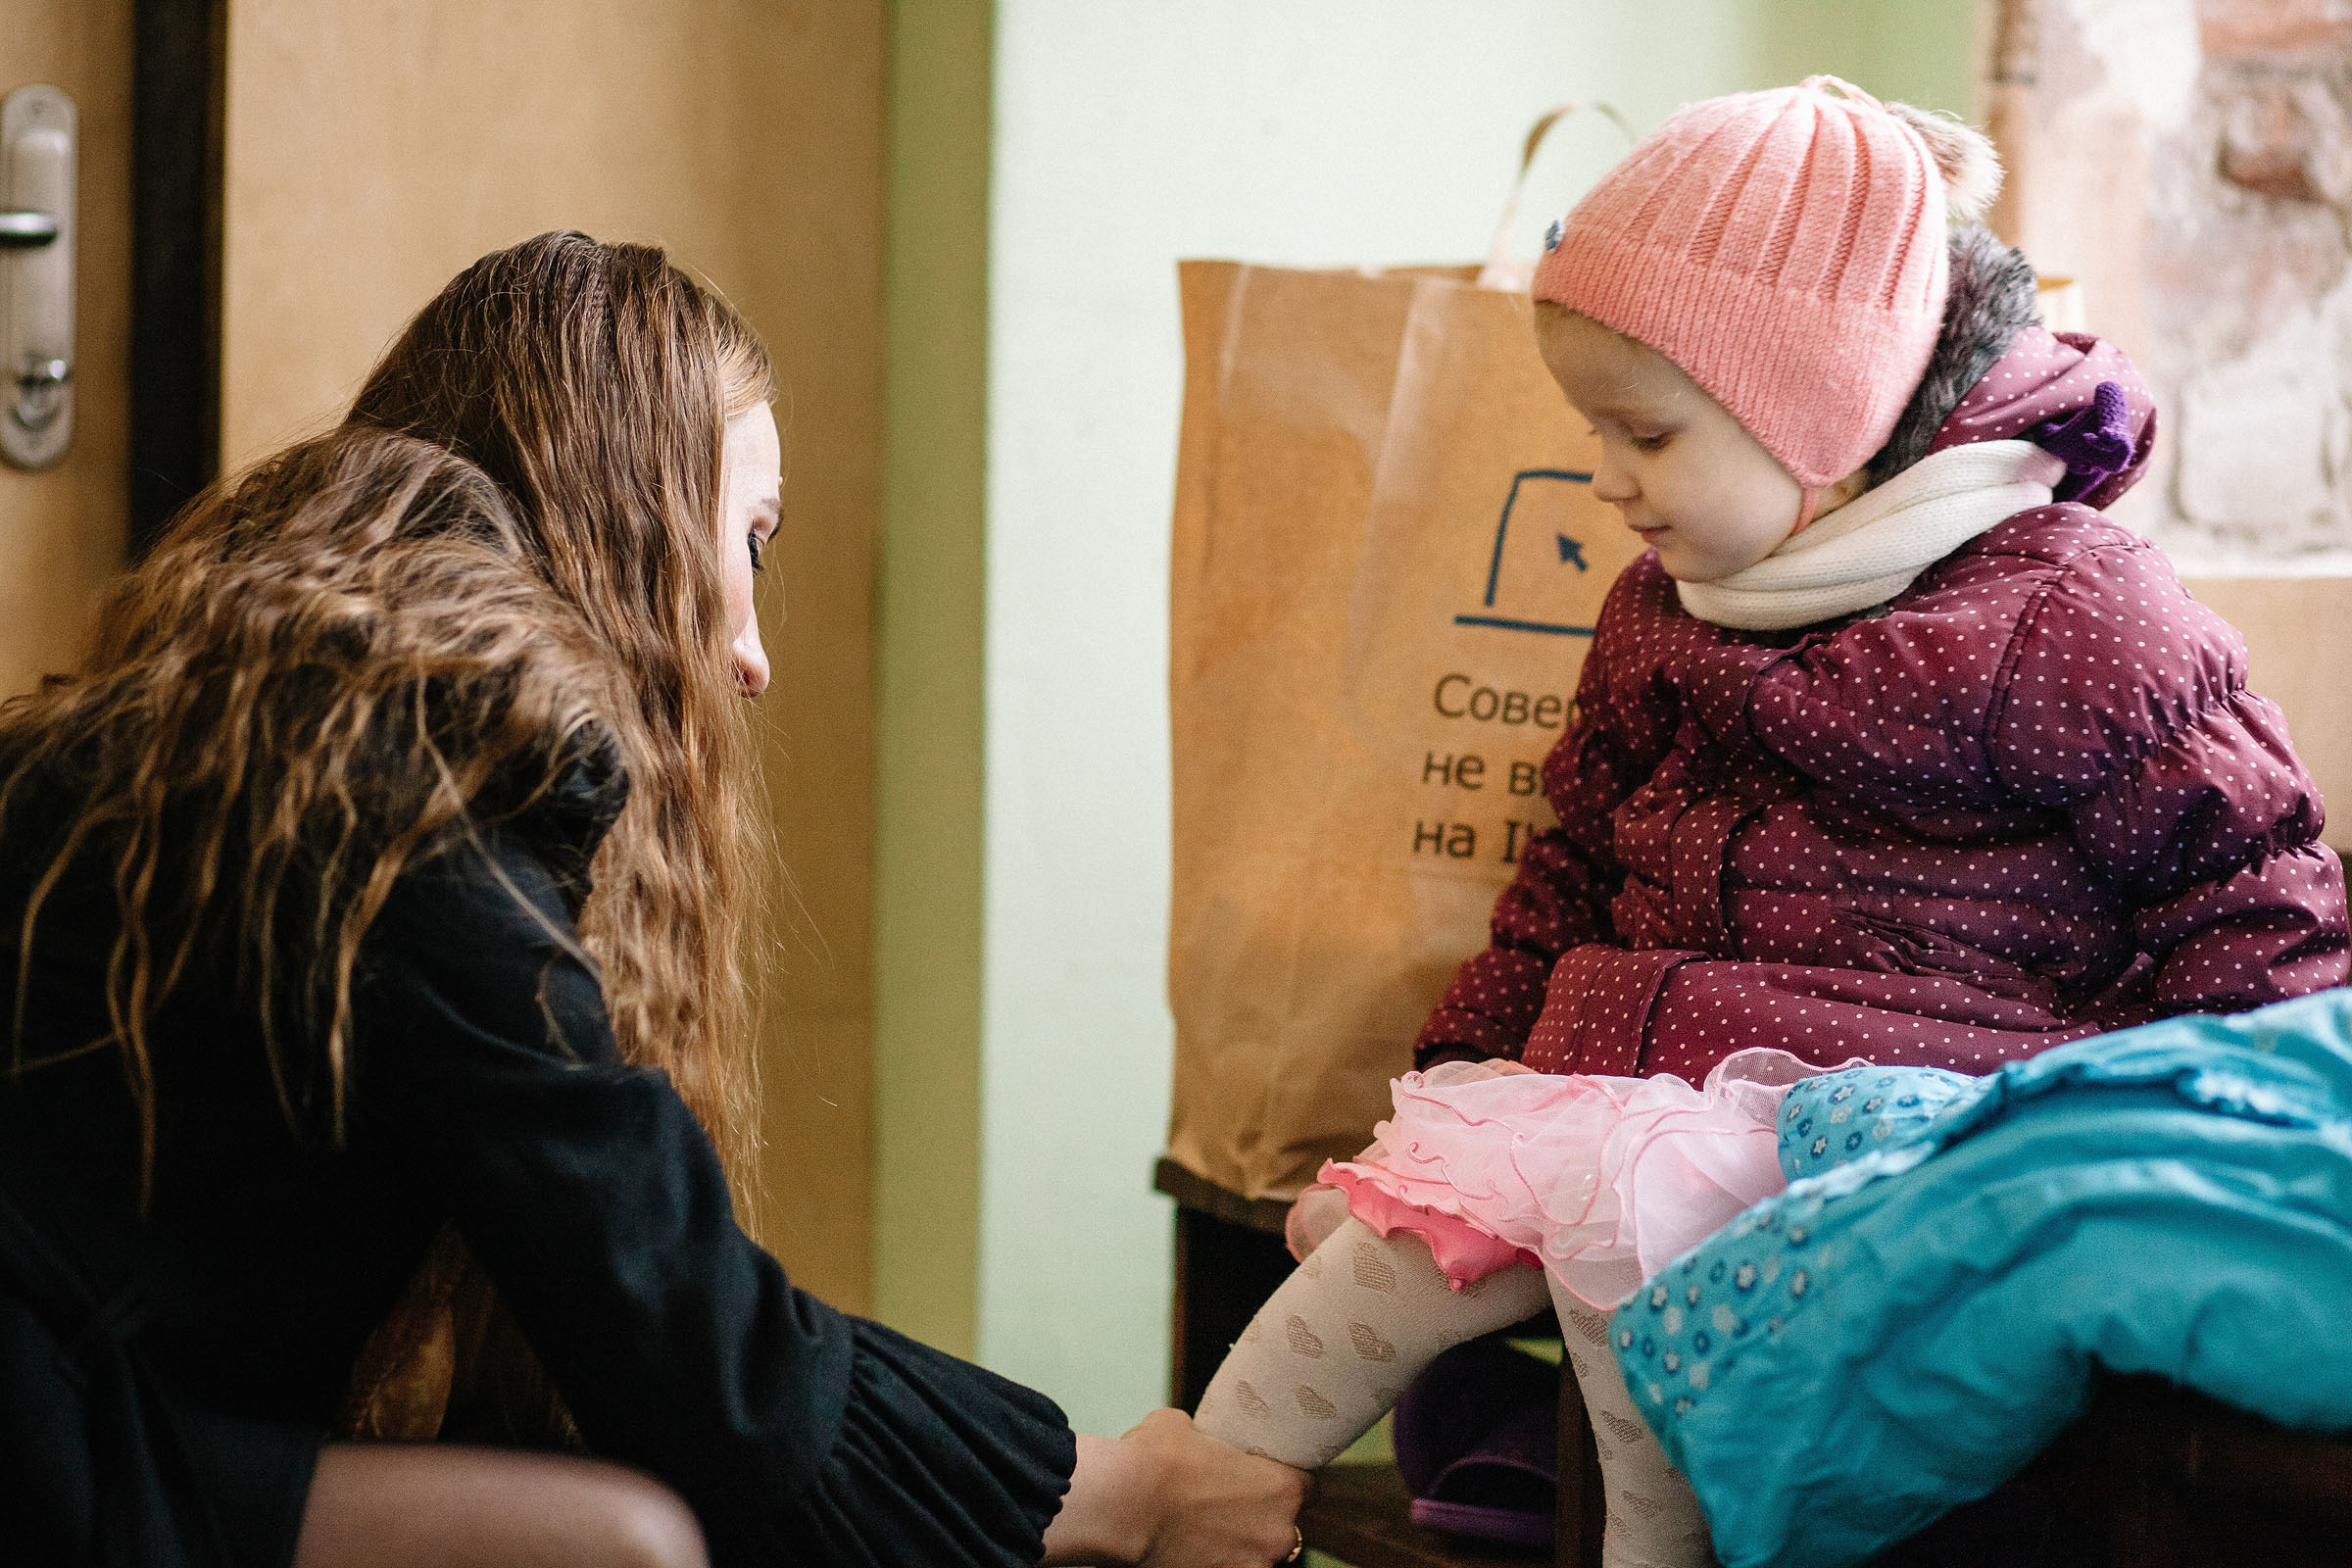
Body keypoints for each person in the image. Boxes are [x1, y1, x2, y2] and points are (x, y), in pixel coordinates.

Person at [0, 233, 1303, 1568]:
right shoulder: (404, 779)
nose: (748, 656)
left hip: (76, 1416)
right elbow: (687, 1333)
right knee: (622, 1544)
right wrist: (1121, 1497)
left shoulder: (298, 711)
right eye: (750, 543)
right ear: (629, 517)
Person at [1200, 79, 2348, 1568]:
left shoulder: (2068, 605)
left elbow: (2247, 894)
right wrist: (1455, 1088)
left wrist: (2219, 1153)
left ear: (1823, 407)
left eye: (1648, 433)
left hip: (1881, 1127)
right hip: (1616, 1087)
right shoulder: (1657, 606)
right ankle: (1189, 1495)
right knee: (1375, 1269)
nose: (1606, 476)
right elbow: (1573, 870)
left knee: (1633, 1271)